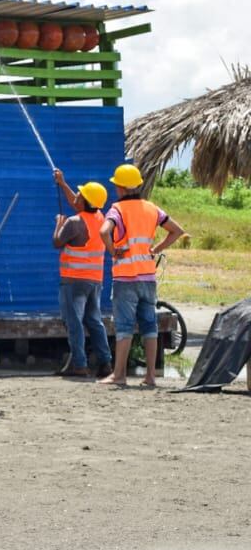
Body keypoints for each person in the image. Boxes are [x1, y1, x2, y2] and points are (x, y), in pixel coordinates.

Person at [97, 164, 186, 388]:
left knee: (125, 326)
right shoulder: (151, 208)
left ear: (122, 188)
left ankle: (119, 375)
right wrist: (156, 248)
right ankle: (151, 377)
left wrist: (112, 249)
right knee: (149, 326)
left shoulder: (117, 209)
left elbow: (103, 231)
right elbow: (176, 230)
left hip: (125, 278)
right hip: (147, 277)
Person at [51, 170, 113, 379]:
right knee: (94, 321)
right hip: (94, 281)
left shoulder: (73, 222)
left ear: (85, 201)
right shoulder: (99, 218)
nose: (76, 196)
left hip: (73, 281)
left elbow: (57, 242)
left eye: (80, 194)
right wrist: (62, 183)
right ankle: (106, 362)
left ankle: (79, 364)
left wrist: (58, 224)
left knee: (74, 321)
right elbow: (76, 204)